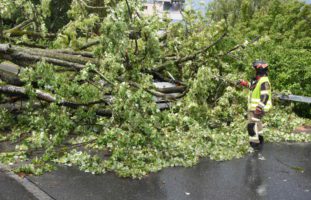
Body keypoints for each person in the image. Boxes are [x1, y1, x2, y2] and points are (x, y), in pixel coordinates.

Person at [238, 60, 272, 149]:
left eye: (255, 69)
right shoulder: (259, 80)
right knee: (258, 123)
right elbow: (253, 87)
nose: (254, 71)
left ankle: (254, 145)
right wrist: (244, 83)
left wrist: (259, 108)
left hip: (257, 108)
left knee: (251, 126)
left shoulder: (264, 81)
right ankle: (260, 140)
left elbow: (265, 95)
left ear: (259, 70)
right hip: (256, 108)